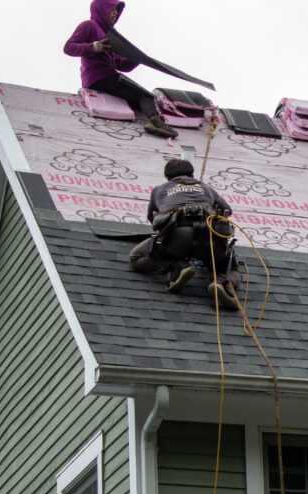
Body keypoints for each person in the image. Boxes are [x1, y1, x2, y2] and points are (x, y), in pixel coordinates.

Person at [130, 158, 242, 309]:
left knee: (136, 257)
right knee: (231, 268)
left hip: (178, 239)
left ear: (167, 177)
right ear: (192, 175)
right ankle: (223, 284)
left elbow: (152, 219)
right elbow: (227, 210)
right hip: (210, 240)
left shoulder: (159, 189)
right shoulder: (206, 187)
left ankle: (177, 267)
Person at [64, 0, 177, 138]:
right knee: (145, 96)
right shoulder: (89, 26)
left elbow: (121, 65)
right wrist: (92, 47)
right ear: (103, 10)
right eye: (113, 10)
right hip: (100, 77)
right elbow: (68, 48)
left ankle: (152, 122)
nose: (115, 14)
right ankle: (157, 122)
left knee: (138, 101)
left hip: (107, 78)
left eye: (117, 11)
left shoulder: (111, 35)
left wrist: (138, 58)